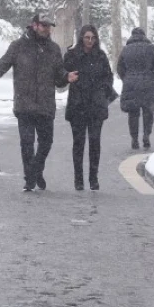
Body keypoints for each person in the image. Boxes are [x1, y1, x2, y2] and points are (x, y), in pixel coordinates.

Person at [0, 12, 78, 192]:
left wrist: (66, 77)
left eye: (49, 26)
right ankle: (29, 178)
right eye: (43, 25)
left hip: (45, 105)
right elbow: (1, 66)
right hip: (25, 104)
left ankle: (36, 170)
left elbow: (59, 77)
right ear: (34, 25)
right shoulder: (18, 46)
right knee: (27, 144)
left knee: (46, 142)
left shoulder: (53, 49)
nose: (46, 29)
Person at [63, 25, 115, 191]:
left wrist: (103, 91)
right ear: (81, 38)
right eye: (87, 37)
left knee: (94, 142)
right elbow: (64, 73)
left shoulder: (100, 56)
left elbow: (109, 76)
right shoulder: (73, 55)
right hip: (78, 105)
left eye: (92, 38)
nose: (90, 41)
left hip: (95, 106)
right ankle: (78, 179)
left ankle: (93, 177)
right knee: (78, 143)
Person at [117, 27, 154, 150]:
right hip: (148, 84)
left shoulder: (126, 50)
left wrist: (126, 79)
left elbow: (119, 68)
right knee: (148, 112)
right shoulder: (151, 49)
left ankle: (134, 138)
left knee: (133, 113)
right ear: (144, 36)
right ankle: (146, 135)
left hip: (131, 84)